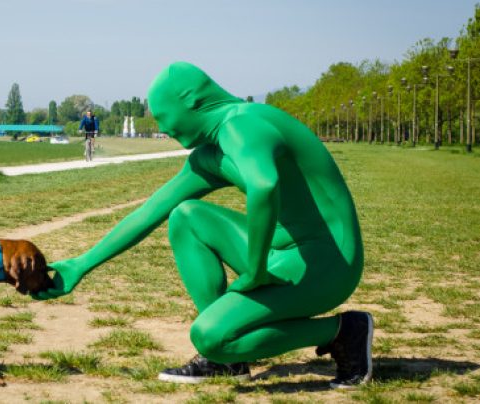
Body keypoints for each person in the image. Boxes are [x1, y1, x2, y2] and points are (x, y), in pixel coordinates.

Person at [34, 62, 372, 389]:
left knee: (208, 335)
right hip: (282, 253)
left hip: (329, 262)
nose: (163, 127)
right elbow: (149, 212)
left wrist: (254, 272)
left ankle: (342, 331)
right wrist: (81, 264)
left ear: (192, 101)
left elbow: (264, 186)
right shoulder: (209, 154)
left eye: (164, 116)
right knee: (185, 216)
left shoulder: (243, 123)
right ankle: (227, 359)